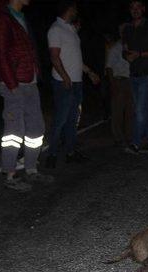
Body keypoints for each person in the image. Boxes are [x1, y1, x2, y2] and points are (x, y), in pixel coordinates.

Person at [0, 0, 54, 191]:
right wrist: (12, 85)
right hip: (14, 83)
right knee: (14, 131)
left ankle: (32, 169)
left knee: (36, 128)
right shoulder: (3, 19)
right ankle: (10, 174)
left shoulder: (21, 18)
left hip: (30, 82)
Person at [45, 0, 100, 169]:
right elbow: (54, 57)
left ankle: (70, 152)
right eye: (75, 7)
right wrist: (65, 77)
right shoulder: (55, 29)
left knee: (72, 120)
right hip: (64, 83)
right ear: (69, 9)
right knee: (61, 120)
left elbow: (75, 59)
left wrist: (89, 72)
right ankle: (52, 155)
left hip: (76, 82)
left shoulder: (70, 29)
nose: (76, 10)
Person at [122, 0, 148, 155]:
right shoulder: (127, 29)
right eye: (132, 8)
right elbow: (124, 51)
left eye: (138, 7)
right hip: (134, 75)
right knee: (144, 110)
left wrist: (140, 54)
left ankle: (136, 143)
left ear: (143, 9)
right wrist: (127, 56)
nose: (135, 10)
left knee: (139, 110)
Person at [106, 23, 134, 148]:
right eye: (122, 31)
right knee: (117, 111)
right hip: (120, 80)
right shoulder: (115, 48)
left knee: (130, 111)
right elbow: (109, 67)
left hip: (132, 81)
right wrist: (113, 84)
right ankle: (118, 137)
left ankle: (129, 136)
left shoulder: (132, 46)